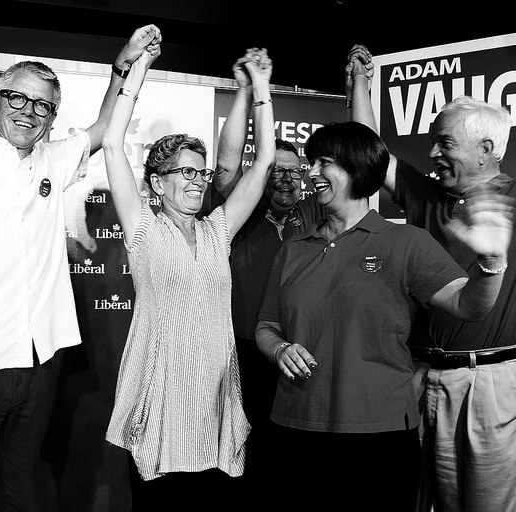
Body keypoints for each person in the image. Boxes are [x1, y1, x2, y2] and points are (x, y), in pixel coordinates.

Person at [0, 24, 161, 512]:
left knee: (18, 484)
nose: (29, 112)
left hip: (43, 355)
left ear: (51, 117)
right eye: (19, 99)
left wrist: (123, 67)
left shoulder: (53, 158)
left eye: (43, 105)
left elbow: (108, 127)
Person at [255, 120, 513, 512]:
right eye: (312, 162)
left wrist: (491, 263)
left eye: (324, 162)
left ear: (357, 169)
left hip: (379, 434)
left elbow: (469, 306)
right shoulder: (294, 249)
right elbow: (267, 325)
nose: (311, 173)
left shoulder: (406, 243)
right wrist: (279, 349)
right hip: (294, 426)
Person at [103, 48, 275, 512]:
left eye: (201, 171)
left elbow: (261, 166)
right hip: (161, 395)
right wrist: (138, 70)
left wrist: (261, 86)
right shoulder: (142, 227)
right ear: (158, 183)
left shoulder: (218, 230)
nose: (198, 181)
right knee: (158, 504)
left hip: (213, 396)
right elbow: (114, 143)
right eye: (185, 171)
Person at [348, 44, 516, 512]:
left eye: (445, 143)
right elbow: (367, 153)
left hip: (491, 384)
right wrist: (361, 83)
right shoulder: (427, 196)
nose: (432, 152)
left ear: (486, 150)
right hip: (420, 379)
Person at [211, 48, 325, 504]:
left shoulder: (313, 215)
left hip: (294, 352)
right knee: (239, 455)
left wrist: (359, 84)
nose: (284, 180)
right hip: (238, 350)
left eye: (294, 173)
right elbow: (227, 163)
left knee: (287, 457)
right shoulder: (238, 213)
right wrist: (248, 89)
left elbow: (365, 158)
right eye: (275, 171)